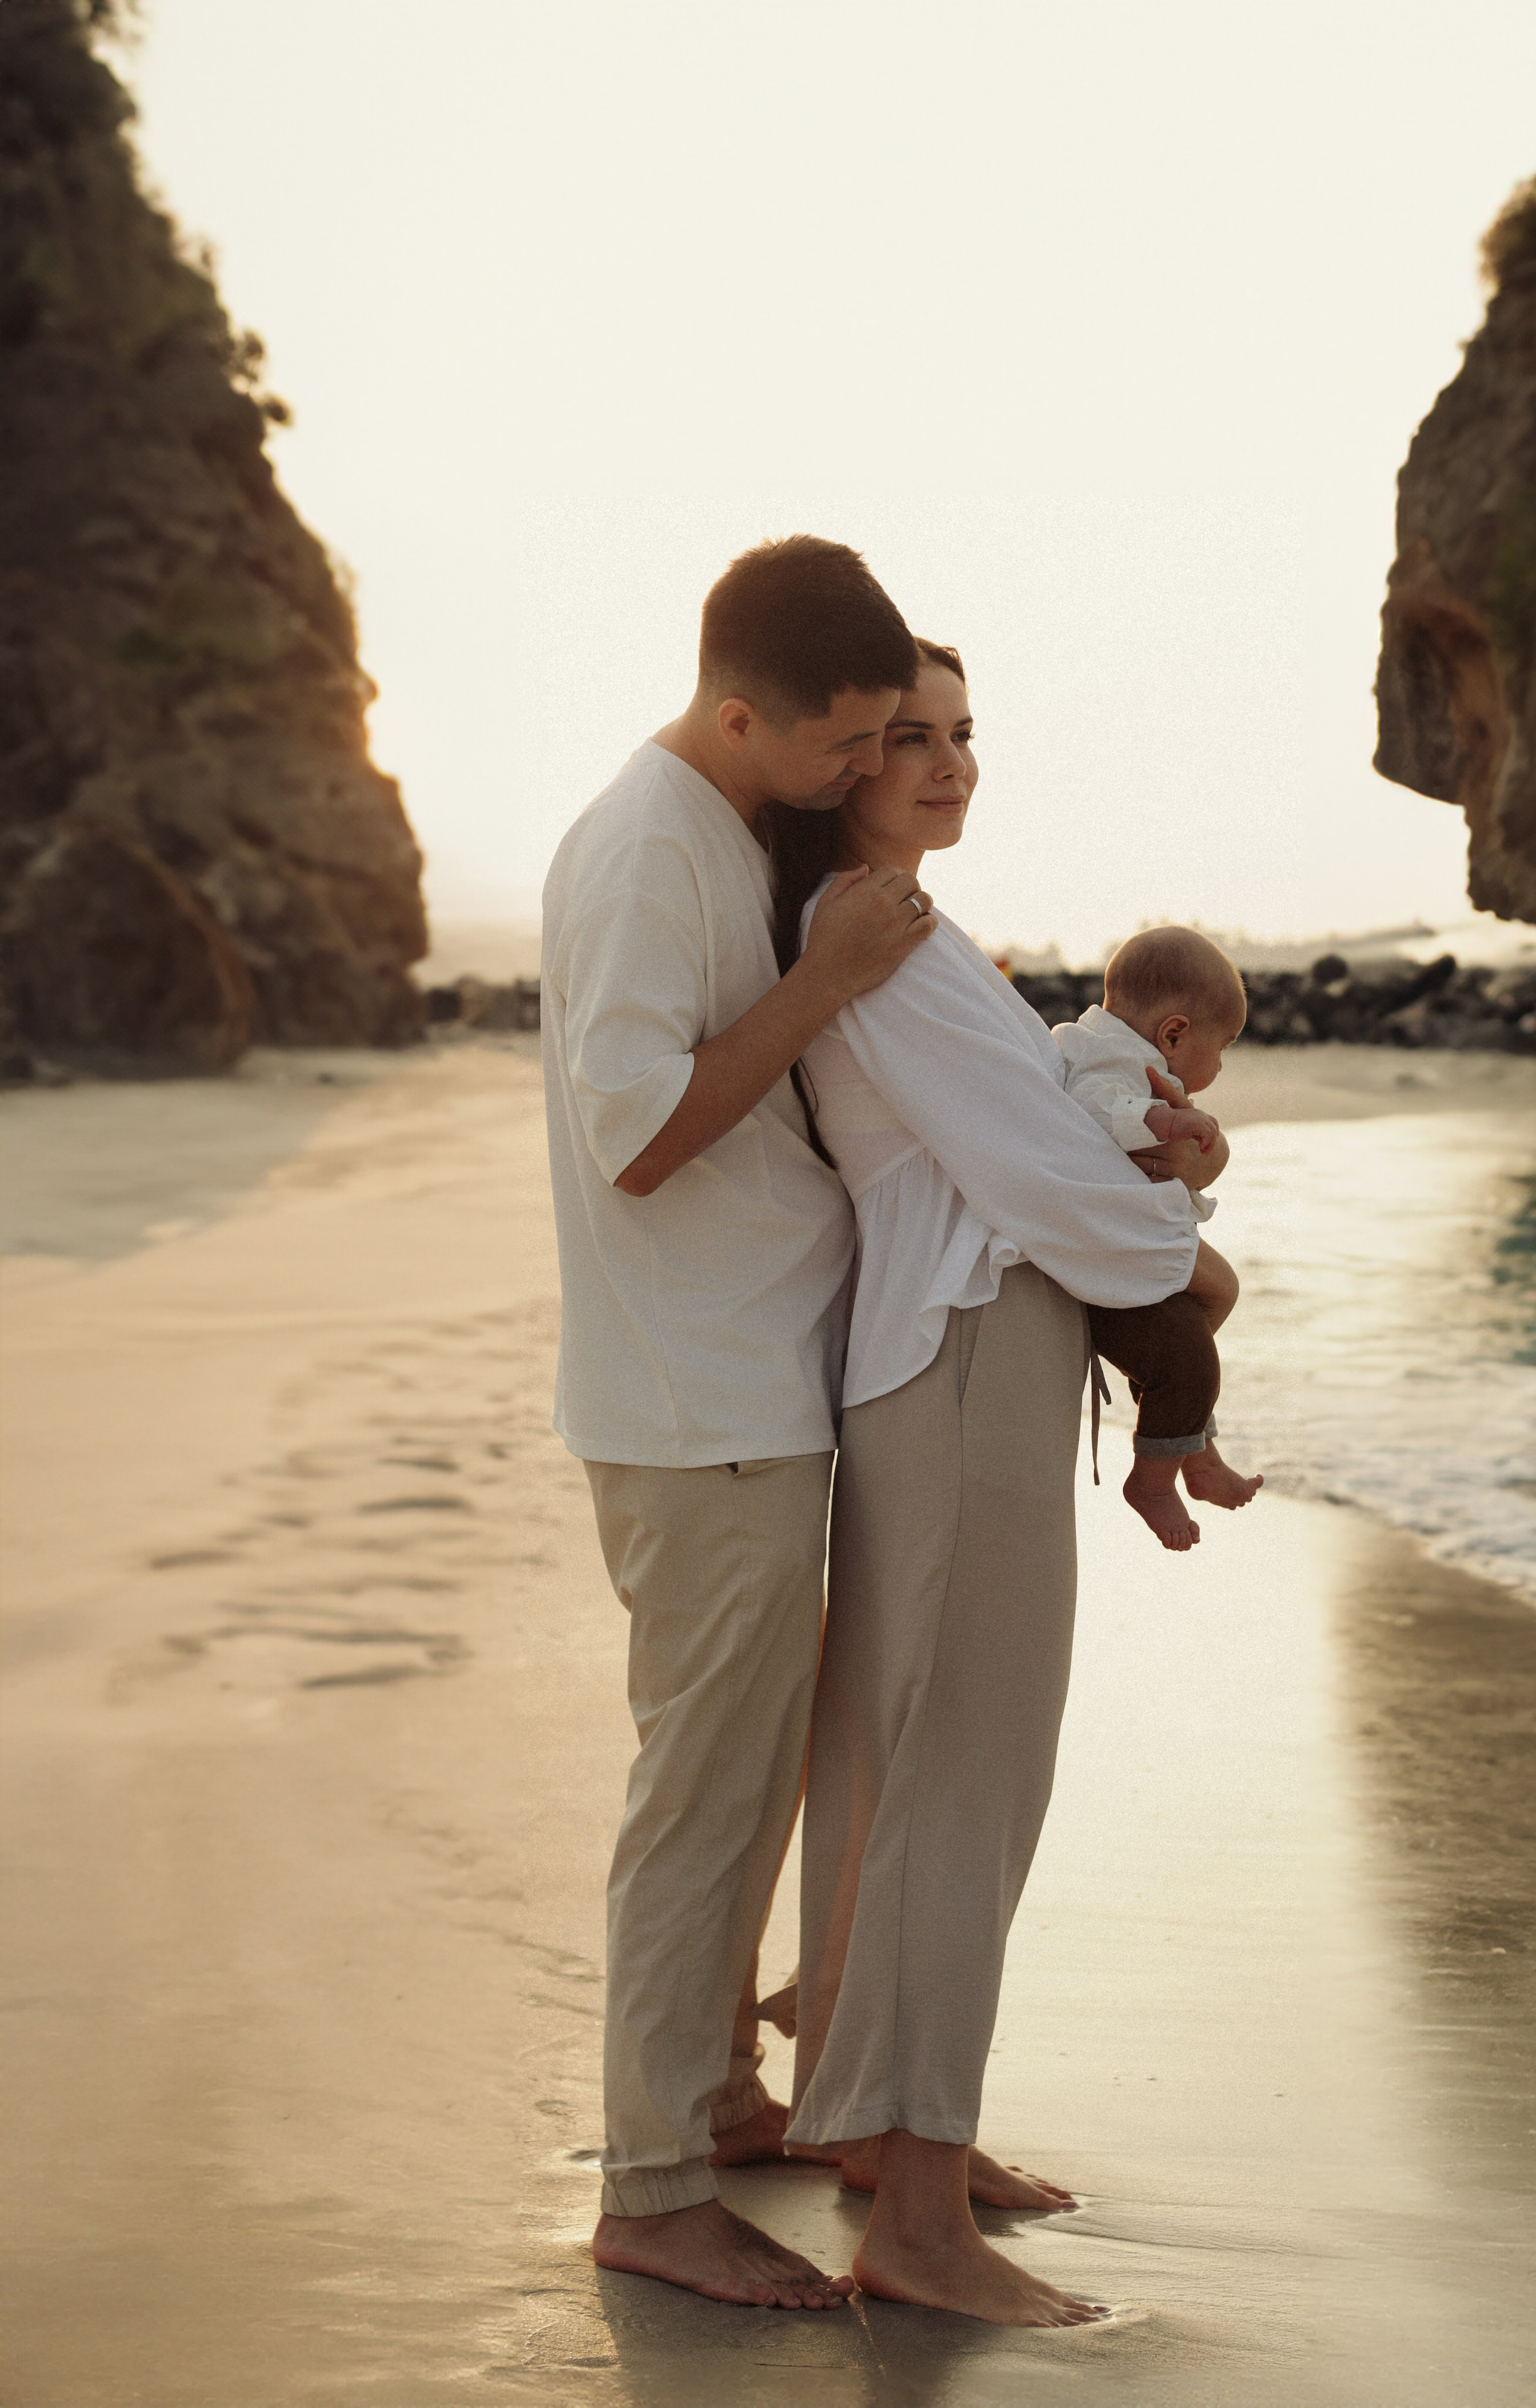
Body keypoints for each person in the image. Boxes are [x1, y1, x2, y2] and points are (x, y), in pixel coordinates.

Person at [772, 641, 1220, 2326]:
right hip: (966, 1366)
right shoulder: (887, 947)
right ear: (838, 761)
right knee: (970, 1779)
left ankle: (889, 2145)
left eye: (964, 732)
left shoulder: (901, 935)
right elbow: (1071, 1197)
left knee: (899, 1765)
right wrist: (1181, 1237)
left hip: (942, 1364)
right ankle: (921, 2213)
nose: (949, 762)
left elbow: (1053, 1154)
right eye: (908, 737)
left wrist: (1150, 1184)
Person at [540, 536, 939, 2311]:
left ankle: (712, 2089)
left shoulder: (719, 828)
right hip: (693, 1402)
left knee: (749, 1773)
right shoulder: (642, 850)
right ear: (738, 712)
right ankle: (649, 2184)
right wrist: (827, 981)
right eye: (845, 744)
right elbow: (633, 1134)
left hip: (741, 1380)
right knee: (698, 1803)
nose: (867, 773)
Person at [1055, 926, 1264, 1550]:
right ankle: (1153, 1480)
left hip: (1119, 1245)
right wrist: (1163, 1117)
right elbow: (1096, 1105)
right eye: (1222, 1048)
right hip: (1105, 1254)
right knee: (1189, 1357)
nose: (1220, 1067)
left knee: (1199, 1329)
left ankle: (1193, 1451)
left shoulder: (1102, 1046)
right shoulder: (1104, 1058)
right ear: (1174, 1033)